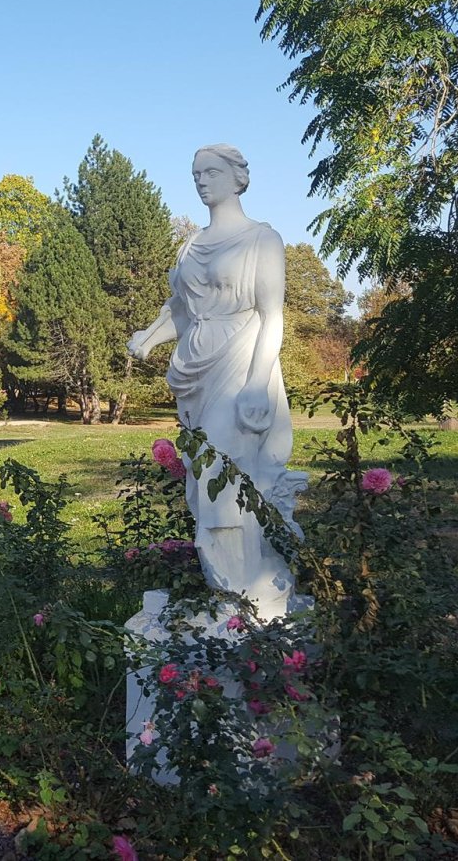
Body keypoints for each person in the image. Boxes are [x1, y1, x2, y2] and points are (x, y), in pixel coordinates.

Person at [127, 144, 306, 618]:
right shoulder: (191, 245)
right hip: (195, 373)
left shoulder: (261, 240)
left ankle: (244, 594)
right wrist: (150, 337)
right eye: (195, 174)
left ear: (237, 177)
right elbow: (182, 311)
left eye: (210, 172)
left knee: (225, 480)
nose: (201, 180)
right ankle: (230, 589)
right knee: (201, 484)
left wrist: (257, 383)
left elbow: (272, 317)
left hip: (241, 363)